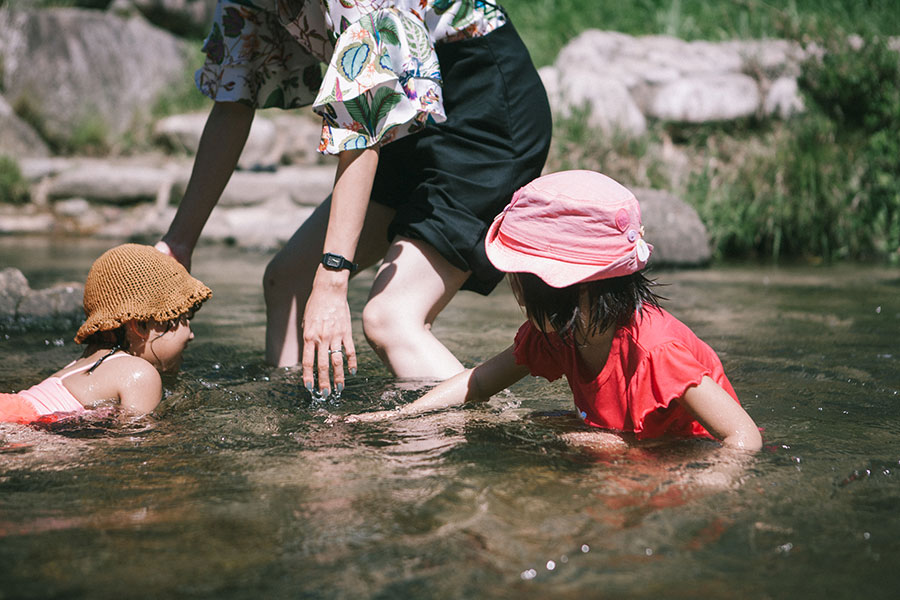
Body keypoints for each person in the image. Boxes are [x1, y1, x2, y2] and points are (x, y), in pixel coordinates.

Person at [155, 0, 552, 397]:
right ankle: (307, 438)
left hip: (482, 107)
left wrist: (332, 279)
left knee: (389, 318)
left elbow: (360, 119)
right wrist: (179, 244)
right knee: (288, 281)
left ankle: (499, 438)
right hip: (399, 119)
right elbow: (233, 102)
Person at [347, 171, 763, 451]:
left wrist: (694, 484)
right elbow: (477, 382)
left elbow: (743, 436)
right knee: (521, 425)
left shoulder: (656, 351)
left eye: (520, 280)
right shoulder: (558, 332)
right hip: (622, 447)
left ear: (558, 288)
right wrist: (401, 415)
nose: (514, 293)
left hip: (674, 457)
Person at [0, 244, 212, 424]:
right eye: (182, 317)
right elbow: (137, 453)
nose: (191, 334)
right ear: (139, 325)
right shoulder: (140, 374)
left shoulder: (82, 364)